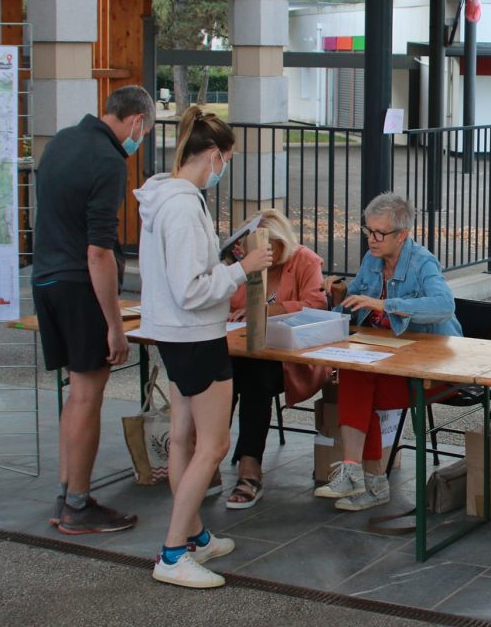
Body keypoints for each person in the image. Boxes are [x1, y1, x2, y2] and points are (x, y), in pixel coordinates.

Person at [135, 106, 273, 588]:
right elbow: (190, 289)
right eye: (226, 159)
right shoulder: (182, 206)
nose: (224, 168)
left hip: (175, 334)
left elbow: (182, 277)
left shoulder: (163, 196)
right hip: (194, 334)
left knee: (183, 437)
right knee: (213, 444)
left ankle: (193, 537)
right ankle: (173, 552)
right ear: (213, 153)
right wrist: (242, 268)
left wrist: (224, 264)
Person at [32, 84, 155, 534]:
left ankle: (67, 494)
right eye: (145, 132)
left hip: (44, 278)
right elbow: (99, 251)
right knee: (88, 394)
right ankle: (78, 505)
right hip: (79, 285)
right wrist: (115, 325)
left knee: (75, 392)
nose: (140, 140)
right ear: (137, 121)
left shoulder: (61, 141)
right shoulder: (108, 160)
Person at [314, 192, 461, 512]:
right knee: (355, 375)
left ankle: (370, 481)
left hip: (434, 370)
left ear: (402, 235)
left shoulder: (422, 262)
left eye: (380, 233)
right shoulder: (373, 260)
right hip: (388, 361)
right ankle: (357, 474)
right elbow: (354, 302)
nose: (372, 239)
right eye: (368, 231)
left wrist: (385, 304)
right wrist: (338, 298)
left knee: (359, 385)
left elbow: (444, 305)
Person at [225, 208, 327, 509]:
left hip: (290, 358)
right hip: (243, 349)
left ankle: (249, 467)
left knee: (254, 377)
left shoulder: (304, 260)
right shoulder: (244, 263)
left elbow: (316, 305)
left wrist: (269, 309)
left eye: (269, 247)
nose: (263, 254)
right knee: (221, 374)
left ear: (282, 242)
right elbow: (228, 301)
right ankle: (208, 455)